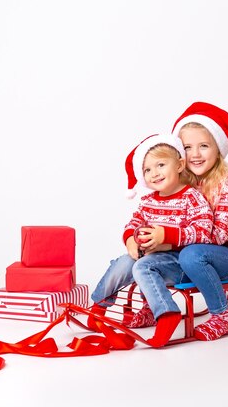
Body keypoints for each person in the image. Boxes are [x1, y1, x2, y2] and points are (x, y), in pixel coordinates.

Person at [89, 133, 214, 347]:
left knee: (143, 266)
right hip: (150, 255)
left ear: (179, 164)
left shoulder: (191, 197)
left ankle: (167, 313)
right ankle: (99, 307)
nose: (154, 174)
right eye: (147, 170)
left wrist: (167, 236)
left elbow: (204, 231)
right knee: (122, 263)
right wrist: (131, 241)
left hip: (179, 261)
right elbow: (133, 224)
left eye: (161, 165)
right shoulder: (148, 201)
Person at [172, 102, 228, 342]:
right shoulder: (186, 182)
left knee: (189, 255)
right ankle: (158, 307)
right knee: (158, 257)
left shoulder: (227, 183)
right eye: (188, 147)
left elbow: (219, 237)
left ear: (218, 148)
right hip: (199, 248)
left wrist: (172, 238)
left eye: (204, 146)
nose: (195, 154)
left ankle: (222, 314)